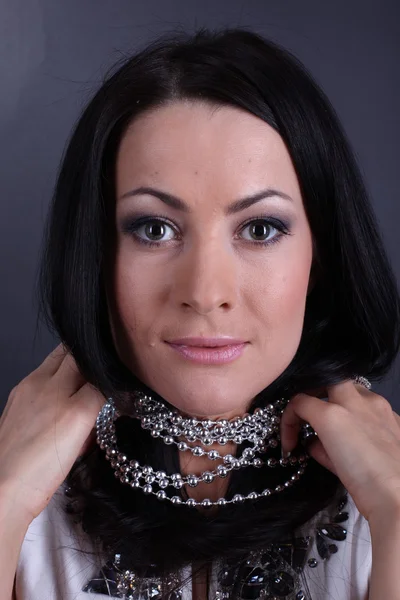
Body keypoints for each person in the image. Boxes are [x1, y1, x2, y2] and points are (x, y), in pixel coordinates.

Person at [1, 26, 400, 600]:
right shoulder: (23, 511)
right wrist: (6, 497)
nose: (206, 292)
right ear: (95, 251)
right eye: (154, 228)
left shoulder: (378, 508)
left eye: (260, 229)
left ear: (323, 254)